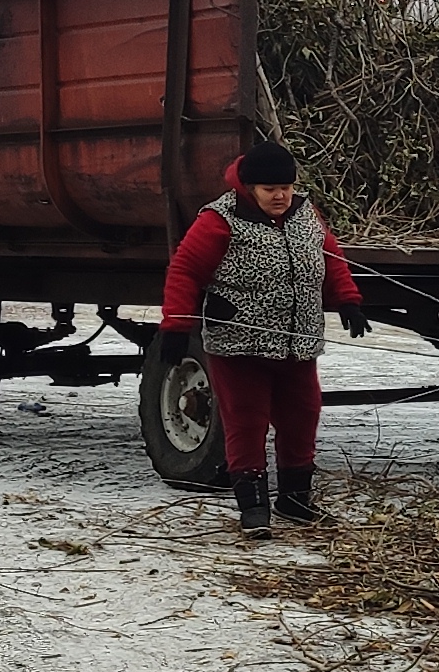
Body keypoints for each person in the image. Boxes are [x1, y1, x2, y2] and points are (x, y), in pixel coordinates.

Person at [159, 139, 370, 538]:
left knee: (302, 417)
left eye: (286, 187)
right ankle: (253, 507)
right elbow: (184, 271)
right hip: (240, 345)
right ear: (249, 187)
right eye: (270, 189)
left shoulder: (306, 214)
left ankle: (295, 498)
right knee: (246, 422)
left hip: (298, 344)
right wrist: (176, 324)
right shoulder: (219, 219)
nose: (281, 196)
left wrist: (348, 302)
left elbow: (331, 256)